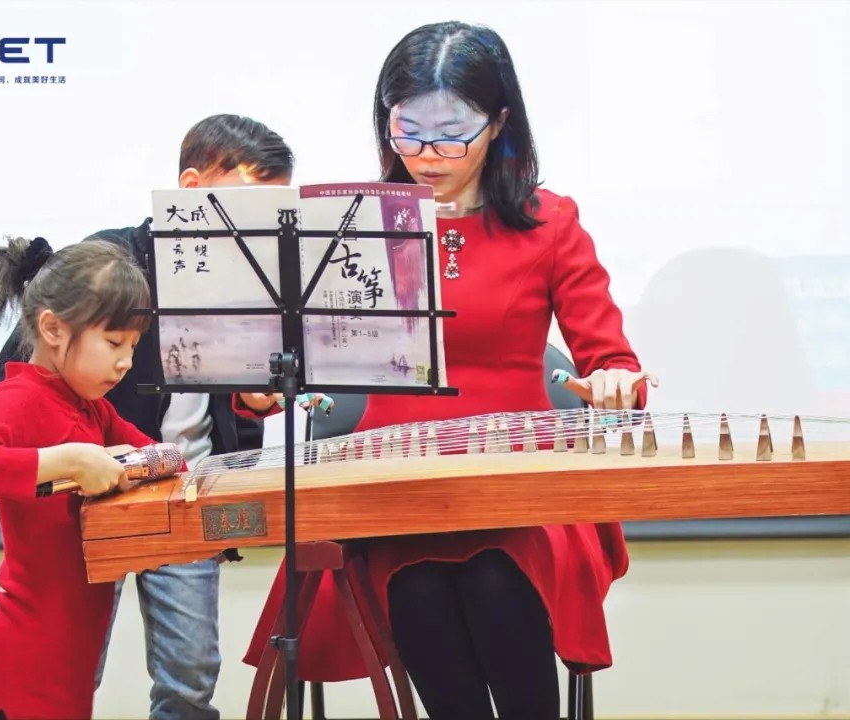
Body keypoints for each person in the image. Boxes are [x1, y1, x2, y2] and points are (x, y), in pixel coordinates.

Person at [238, 22, 655, 719]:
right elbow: (295, 355)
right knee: (419, 587)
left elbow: (611, 360)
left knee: (495, 578)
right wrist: (259, 392)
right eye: (408, 133)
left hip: (515, 488)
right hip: (397, 489)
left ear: (499, 123)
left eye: (453, 135)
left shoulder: (549, 223)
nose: (428, 156)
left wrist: (615, 382)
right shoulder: (354, 224)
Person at [0, 114, 297, 720]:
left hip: (186, 491)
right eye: (249, 203)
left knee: (191, 676)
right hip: (90, 502)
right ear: (191, 187)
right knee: (69, 669)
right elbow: (21, 375)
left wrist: (251, 402)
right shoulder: (110, 262)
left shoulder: (253, 277)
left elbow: (236, 400)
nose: (261, 224)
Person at [0, 238, 172, 720]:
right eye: (113, 343)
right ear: (53, 328)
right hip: (21, 662)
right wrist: (68, 460)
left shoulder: (91, 408)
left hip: (67, 666)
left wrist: (132, 463)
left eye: (133, 346)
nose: (126, 361)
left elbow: (166, 456)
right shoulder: (19, 398)